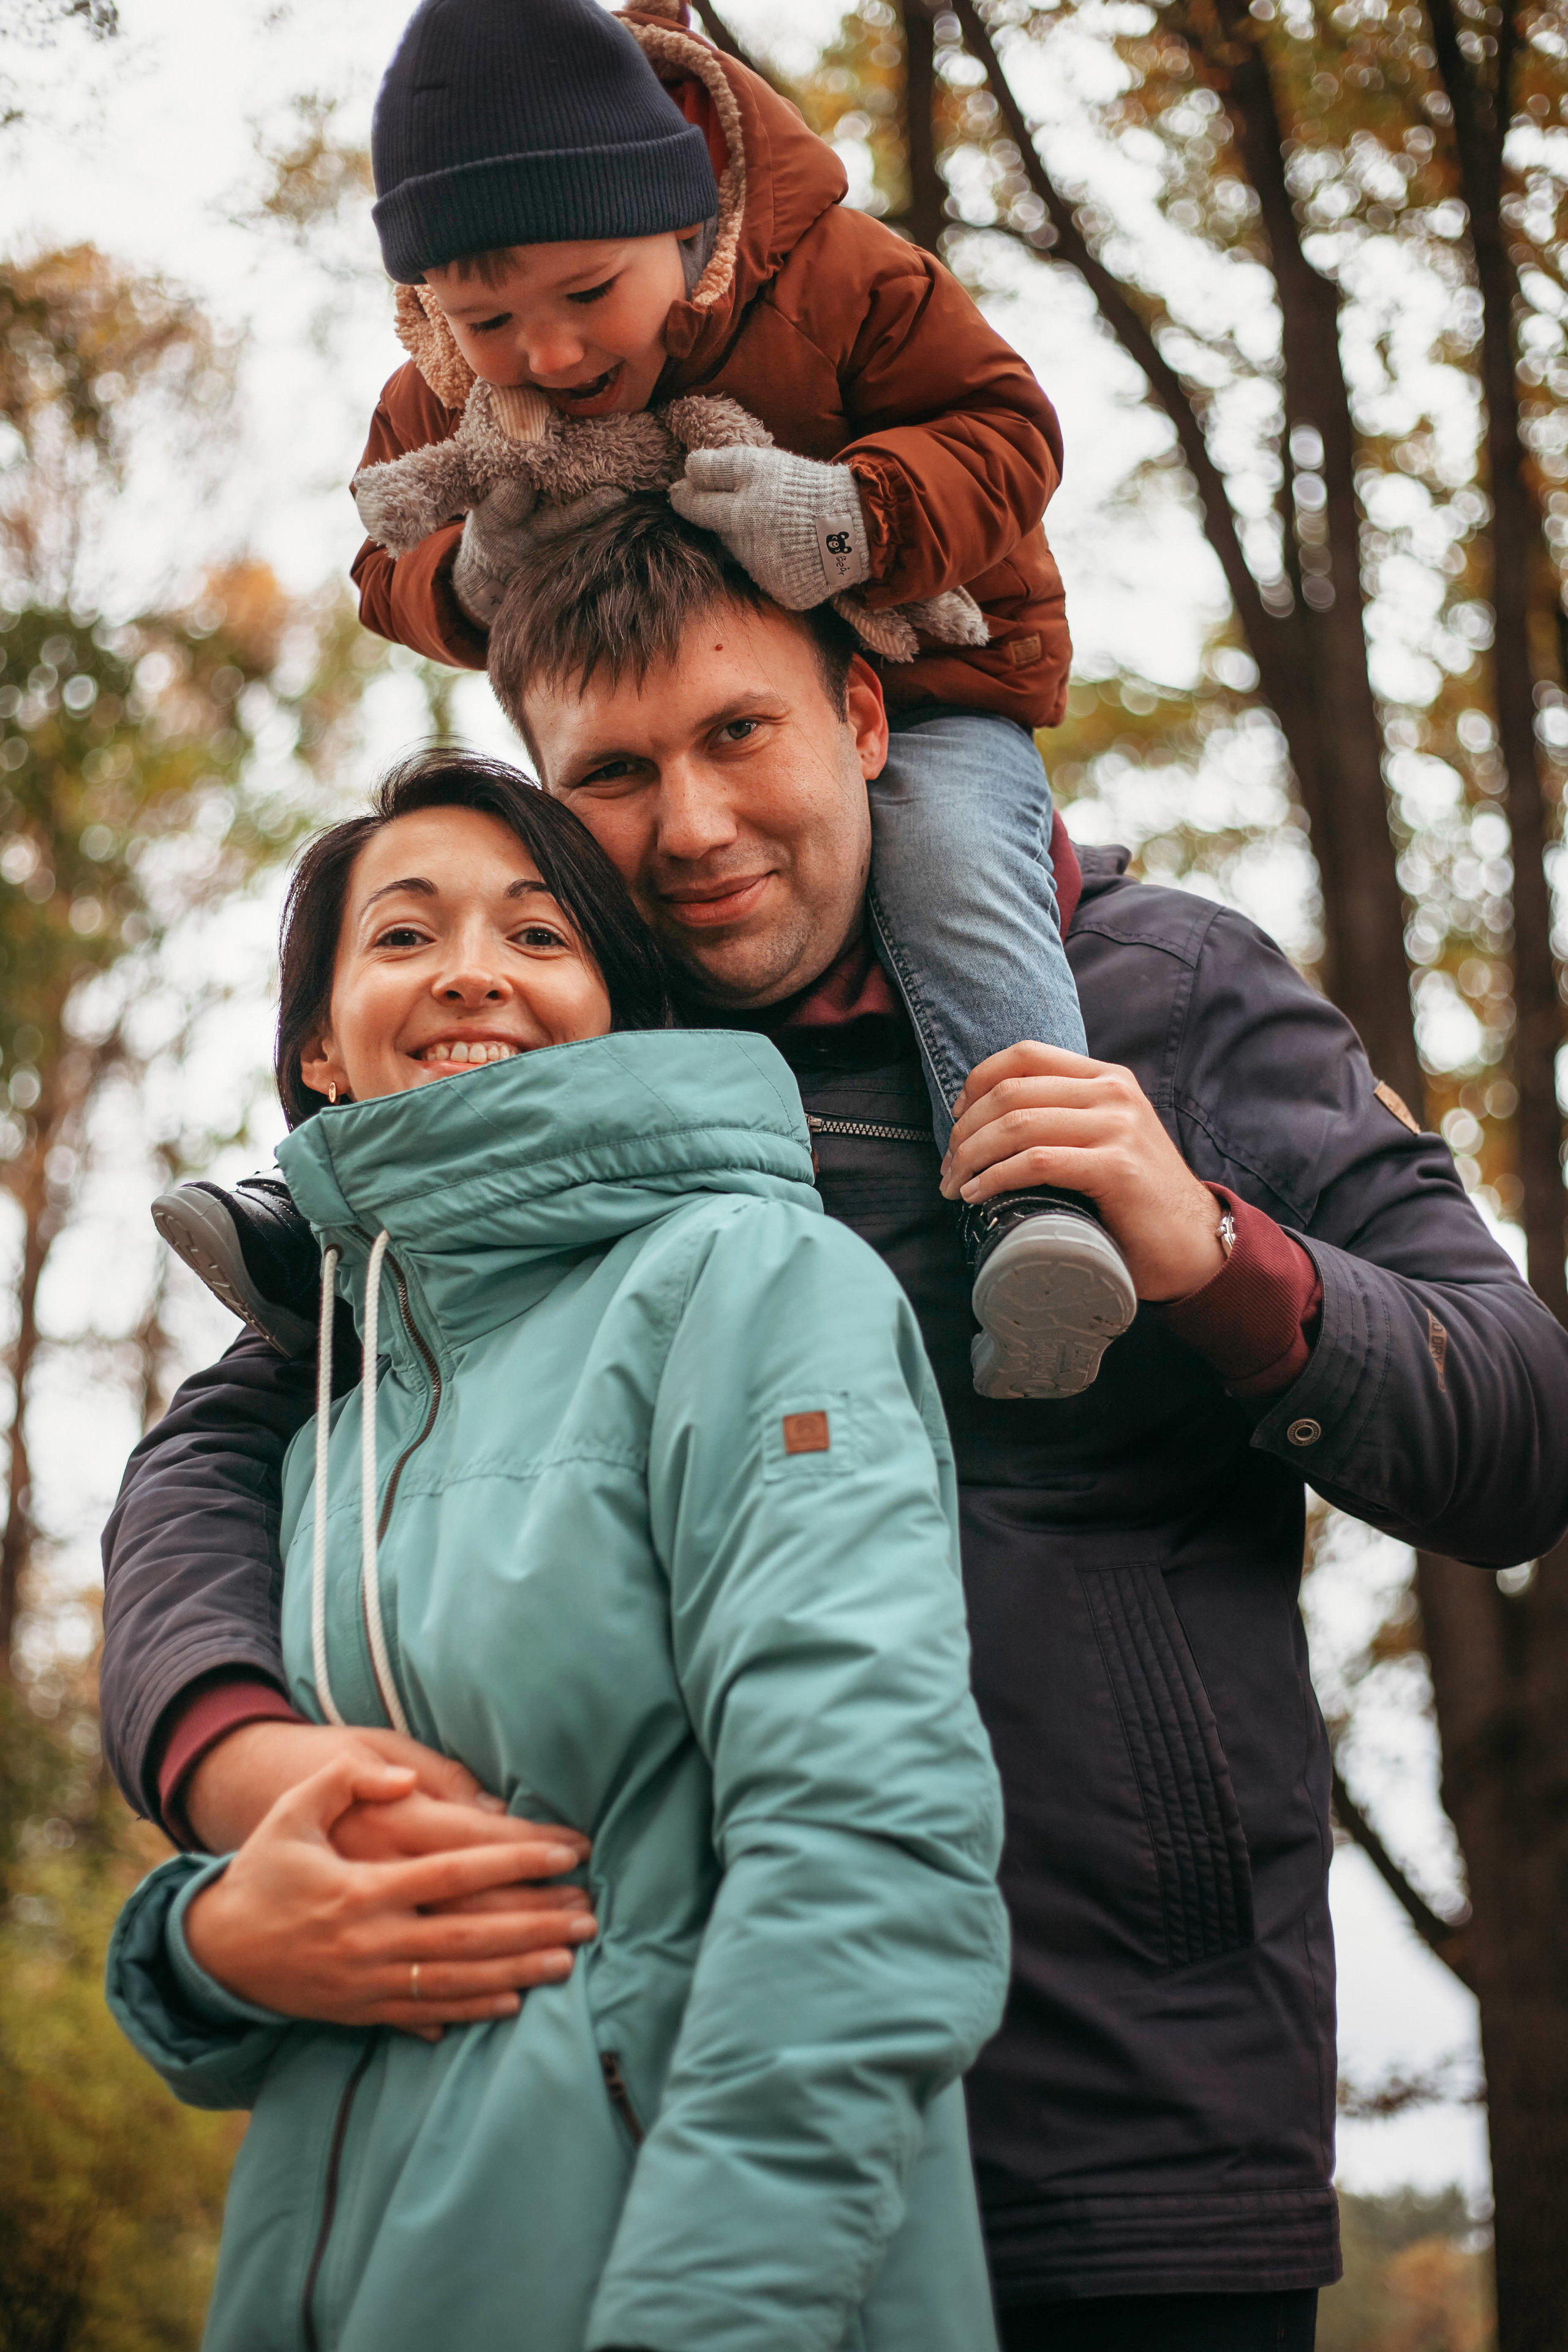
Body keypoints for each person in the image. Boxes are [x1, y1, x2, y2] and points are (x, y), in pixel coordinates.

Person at [102, 505, 1568, 2352]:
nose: (695, 829)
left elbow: (1522, 1430)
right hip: (666, 2118)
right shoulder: (565, 1097)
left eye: (741, 736)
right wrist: (237, 1769)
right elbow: (232, 1446)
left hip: (1115, 2131)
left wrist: (1210, 1250)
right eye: (617, 778)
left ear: (866, 720)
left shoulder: (1155, 997)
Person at [105, 751, 1010, 2352]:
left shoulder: (751, 1283)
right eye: (403, 936)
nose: (472, 970)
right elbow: (321, 1913)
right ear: (317, 1043)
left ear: (614, 1005)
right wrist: (206, 1950)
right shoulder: (330, 1420)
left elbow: (870, 1868)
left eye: (539, 935)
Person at [341, 0, 1137, 1397]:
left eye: (588, 295)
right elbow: (380, 569)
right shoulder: (448, 383)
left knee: (950, 862)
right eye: (489, 321)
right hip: (629, 722)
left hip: (913, 674)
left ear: (684, 223)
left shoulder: (832, 277)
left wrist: (860, 513)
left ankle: (1038, 1201)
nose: (551, 357)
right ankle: (354, 1211)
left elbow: (1007, 432)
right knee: (495, 921)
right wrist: (467, 576)